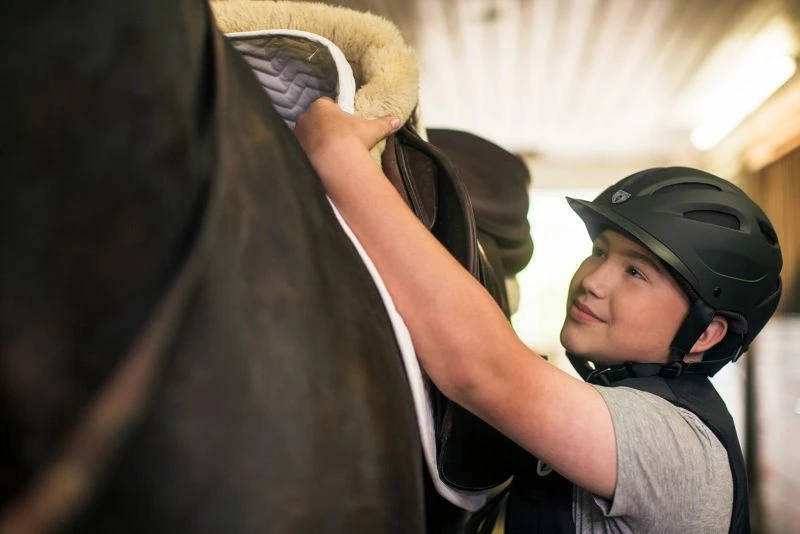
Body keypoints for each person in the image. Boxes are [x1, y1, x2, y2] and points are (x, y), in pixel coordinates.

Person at [293, 97, 783, 533]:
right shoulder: (622, 404)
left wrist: (339, 159)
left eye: (636, 273)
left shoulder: (678, 448)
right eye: (598, 251)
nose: (592, 279)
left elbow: (484, 372)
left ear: (706, 334)